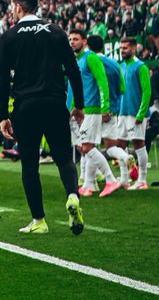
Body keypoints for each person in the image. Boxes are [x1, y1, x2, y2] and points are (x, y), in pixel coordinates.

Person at [0, 0, 86, 235]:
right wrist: (78, 104)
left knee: (30, 165)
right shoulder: (56, 30)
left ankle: (39, 220)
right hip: (55, 102)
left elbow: (2, 80)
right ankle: (72, 196)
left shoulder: (9, 37)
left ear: (18, 6)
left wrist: (3, 115)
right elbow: (73, 70)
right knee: (64, 158)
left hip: (26, 106)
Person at [67, 30, 121, 197]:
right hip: (86, 109)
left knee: (87, 147)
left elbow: (102, 81)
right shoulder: (79, 60)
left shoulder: (91, 57)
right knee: (88, 146)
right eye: (70, 39)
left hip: (93, 109)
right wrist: (75, 107)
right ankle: (90, 185)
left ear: (84, 41)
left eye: (76, 39)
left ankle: (111, 179)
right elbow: (80, 87)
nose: (72, 42)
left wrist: (105, 107)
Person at [89, 35, 134, 188]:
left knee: (89, 147)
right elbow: (122, 89)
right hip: (113, 109)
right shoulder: (115, 64)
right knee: (111, 147)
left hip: (95, 108)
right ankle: (125, 159)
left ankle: (92, 182)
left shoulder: (90, 61)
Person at [118, 37, 152, 189]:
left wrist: (141, 113)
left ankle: (142, 180)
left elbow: (147, 91)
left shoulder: (141, 67)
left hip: (135, 113)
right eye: (121, 48)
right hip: (122, 112)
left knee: (138, 144)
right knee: (119, 146)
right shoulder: (122, 66)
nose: (122, 50)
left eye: (125, 48)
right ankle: (125, 179)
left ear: (133, 49)